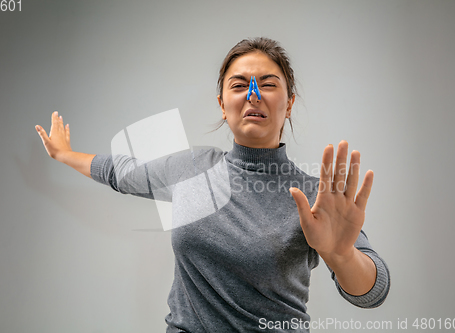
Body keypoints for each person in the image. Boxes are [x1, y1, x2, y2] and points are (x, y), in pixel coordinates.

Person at [35, 37, 390, 332]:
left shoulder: (314, 195)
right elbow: (122, 172)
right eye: (239, 85)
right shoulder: (191, 168)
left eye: (268, 84)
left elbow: (373, 291)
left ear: (290, 103)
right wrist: (65, 154)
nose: (254, 95)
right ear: (223, 104)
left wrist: (341, 255)